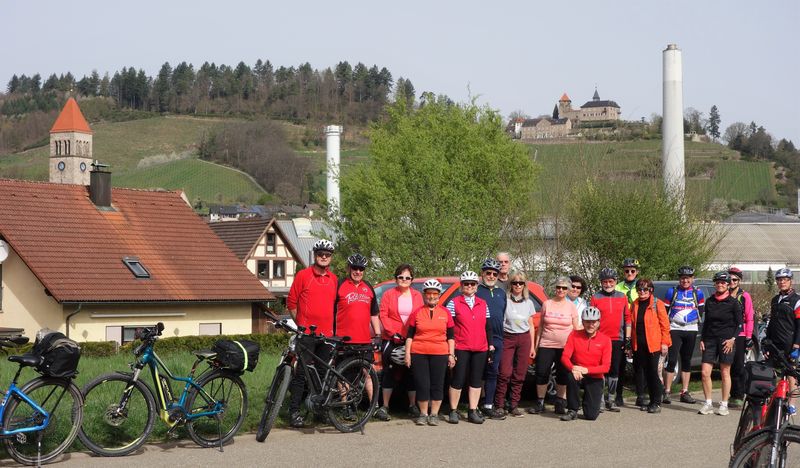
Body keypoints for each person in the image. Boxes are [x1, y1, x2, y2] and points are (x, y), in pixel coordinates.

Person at [286, 239, 338, 428]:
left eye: (327, 255)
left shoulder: (333, 279)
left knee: (322, 374)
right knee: (301, 373)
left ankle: (319, 410)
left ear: (331, 258)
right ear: (315, 256)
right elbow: (291, 302)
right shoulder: (303, 275)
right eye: (320, 254)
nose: (324, 257)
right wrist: (300, 325)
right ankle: (294, 412)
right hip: (307, 334)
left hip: (326, 335)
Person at [375, 264, 423, 421]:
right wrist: (391, 332)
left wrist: (414, 334)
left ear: (411, 280)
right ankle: (385, 406)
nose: (404, 280)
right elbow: (383, 315)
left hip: (410, 338)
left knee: (411, 370)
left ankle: (412, 405)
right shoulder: (389, 294)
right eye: (401, 277)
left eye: (407, 277)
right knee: (389, 370)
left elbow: (419, 315)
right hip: (392, 337)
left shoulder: (417, 295)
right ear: (396, 278)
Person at [404, 279, 455, 426]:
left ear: (439, 295)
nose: (431, 296)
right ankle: (423, 413)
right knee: (422, 384)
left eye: (435, 293)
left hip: (440, 353)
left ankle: (434, 414)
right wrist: (407, 354)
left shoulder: (446, 312)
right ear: (424, 295)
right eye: (428, 293)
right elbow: (409, 336)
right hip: (419, 352)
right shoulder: (417, 312)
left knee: (437, 384)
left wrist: (451, 355)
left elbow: (451, 337)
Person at [333, 253, 381, 406]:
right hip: (344, 339)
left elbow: (374, 314)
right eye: (355, 268)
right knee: (344, 375)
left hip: (364, 340)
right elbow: (330, 312)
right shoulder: (340, 285)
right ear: (349, 268)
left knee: (368, 374)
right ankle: (345, 405)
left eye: (361, 269)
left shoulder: (368, 287)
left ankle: (374, 406)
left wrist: (378, 335)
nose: (358, 271)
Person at [446, 271, 493, 424]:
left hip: (480, 348)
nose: (469, 286)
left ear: (477, 286)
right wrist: (451, 351)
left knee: (476, 380)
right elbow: (449, 328)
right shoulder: (454, 302)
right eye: (466, 283)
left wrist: (490, 345)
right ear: (461, 285)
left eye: (472, 284)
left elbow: (488, 327)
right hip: (461, 346)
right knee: (458, 379)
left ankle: (472, 410)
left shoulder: (483, 303)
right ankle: (453, 410)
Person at [529, 276, 579, 415]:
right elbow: (541, 326)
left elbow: (576, 329)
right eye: (558, 287)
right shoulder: (547, 304)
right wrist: (536, 347)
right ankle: (540, 402)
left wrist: (576, 348)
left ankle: (560, 402)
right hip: (546, 344)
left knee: (563, 375)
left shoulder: (571, 306)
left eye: (564, 288)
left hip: (565, 346)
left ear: (568, 290)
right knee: (541, 373)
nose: (561, 290)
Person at [698, 271, 742, 416]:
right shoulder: (710, 301)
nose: (720, 285)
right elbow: (706, 322)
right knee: (705, 373)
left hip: (726, 341)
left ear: (728, 285)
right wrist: (702, 339)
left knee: (724, 372)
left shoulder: (733, 303)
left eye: (723, 283)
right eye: (718, 282)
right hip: (710, 340)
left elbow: (739, 324)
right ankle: (708, 403)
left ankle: (724, 404)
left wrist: (732, 339)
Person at [625, 278, 671, 413]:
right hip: (638, 345)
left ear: (651, 290)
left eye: (645, 289)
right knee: (642, 373)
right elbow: (632, 325)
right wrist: (630, 345)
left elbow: (665, 325)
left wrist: (665, 342)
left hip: (654, 346)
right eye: (639, 289)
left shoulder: (658, 304)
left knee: (653, 374)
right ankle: (648, 400)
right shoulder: (635, 304)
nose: (642, 291)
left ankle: (656, 402)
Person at [495, 270, 537, 417]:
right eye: (515, 283)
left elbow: (531, 325)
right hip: (508, 337)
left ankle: (514, 404)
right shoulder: (505, 300)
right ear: (510, 284)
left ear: (524, 285)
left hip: (524, 338)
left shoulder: (529, 303)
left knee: (520, 373)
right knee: (504, 372)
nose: (518, 285)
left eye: (521, 283)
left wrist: (532, 347)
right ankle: (499, 404)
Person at [662, 266, 705, 405]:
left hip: (691, 329)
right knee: (672, 360)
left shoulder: (698, 293)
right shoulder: (672, 291)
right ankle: (667, 391)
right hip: (675, 328)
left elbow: (701, 310)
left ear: (692, 279)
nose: (685, 281)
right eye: (682, 278)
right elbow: (665, 311)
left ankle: (685, 392)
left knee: (687, 360)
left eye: (688, 278)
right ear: (679, 279)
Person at [560, 306, 612, 421]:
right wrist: (573, 368)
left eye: (594, 322)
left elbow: (606, 367)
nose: (590, 325)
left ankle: (588, 402)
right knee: (570, 376)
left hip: (595, 377)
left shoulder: (605, 340)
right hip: (578, 374)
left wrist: (587, 370)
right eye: (587, 321)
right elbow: (564, 357)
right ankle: (572, 410)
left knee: (591, 416)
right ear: (583, 322)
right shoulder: (574, 335)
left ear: (598, 323)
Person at [589, 268, 629, 411]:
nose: (608, 284)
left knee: (614, 370)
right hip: (600, 339)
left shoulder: (622, 297)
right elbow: (591, 320)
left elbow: (627, 318)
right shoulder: (595, 297)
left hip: (618, 339)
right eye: (605, 282)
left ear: (615, 281)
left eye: (610, 281)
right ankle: (599, 400)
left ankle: (611, 399)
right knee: (600, 370)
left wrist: (628, 338)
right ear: (601, 283)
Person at [764, 268, 800, 411]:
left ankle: (792, 404)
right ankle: (772, 400)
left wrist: (797, 346)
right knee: (769, 372)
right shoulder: (775, 300)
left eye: (785, 279)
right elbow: (771, 323)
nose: (782, 282)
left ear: (790, 281)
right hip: (774, 344)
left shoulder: (796, 300)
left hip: (790, 344)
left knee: (791, 375)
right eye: (779, 280)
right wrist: (767, 342)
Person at [476, 258, 507, 419]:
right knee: (477, 372)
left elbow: (503, 315)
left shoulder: (502, 293)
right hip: (480, 337)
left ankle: (488, 405)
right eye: (488, 273)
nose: (491, 276)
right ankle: (475, 405)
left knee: (493, 372)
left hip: (498, 338)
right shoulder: (476, 291)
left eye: (495, 274)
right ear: (482, 274)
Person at [727, 267, 755, 409]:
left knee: (738, 366)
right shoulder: (723, 294)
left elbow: (750, 318)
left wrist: (749, 337)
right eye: (729, 279)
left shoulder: (744, 296)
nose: (731, 282)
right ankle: (730, 394)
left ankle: (738, 395)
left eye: (735, 279)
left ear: (739, 281)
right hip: (726, 334)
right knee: (727, 366)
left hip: (741, 335)